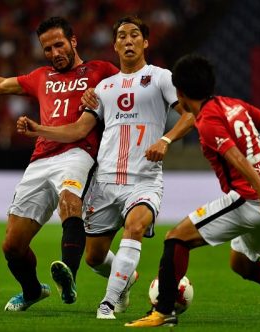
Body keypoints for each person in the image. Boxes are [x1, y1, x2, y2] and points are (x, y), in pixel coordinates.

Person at [0, 17, 119, 310]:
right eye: (47, 49)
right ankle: (32, 291)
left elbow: (130, 87)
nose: (55, 53)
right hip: (40, 160)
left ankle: (68, 273)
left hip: (78, 152)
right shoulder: (41, 76)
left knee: (69, 203)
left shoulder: (100, 71)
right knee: (12, 246)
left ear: (73, 41)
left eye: (59, 45)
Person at [125, 54, 260, 327]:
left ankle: (163, 311)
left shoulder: (207, 121)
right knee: (243, 265)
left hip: (251, 200)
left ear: (181, 94)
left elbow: (237, 159)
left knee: (176, 238)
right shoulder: (234, 104)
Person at [16, 16, 195, 319]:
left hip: (144, 179)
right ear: (114, 45)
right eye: (122, 36)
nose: (128, 40)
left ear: (145, 42)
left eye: (134, 35)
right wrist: (40, 130)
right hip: (106, 181)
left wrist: (165, 139)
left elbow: (191, 114)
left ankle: (107, 304)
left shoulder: (161, 77)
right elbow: (77, 130)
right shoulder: (103, 87)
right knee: (94, 257)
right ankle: (125, 284)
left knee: (135, 226)